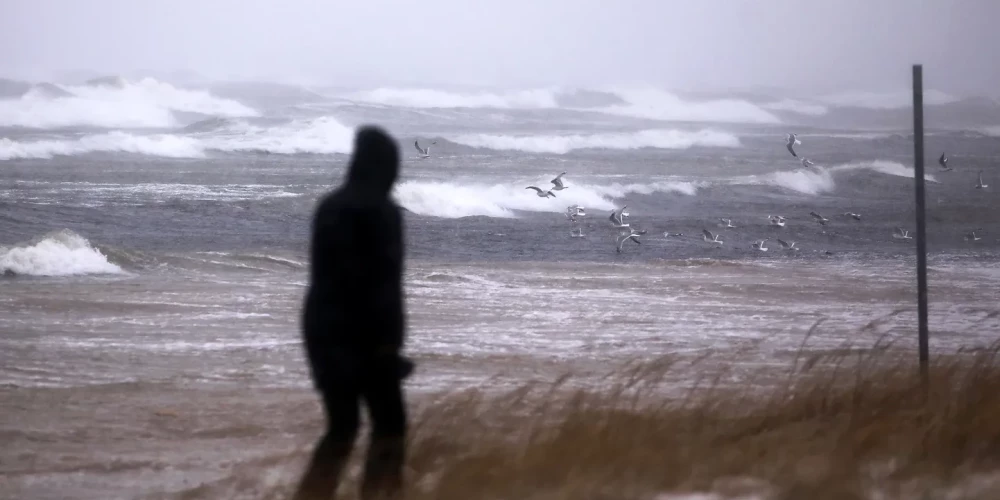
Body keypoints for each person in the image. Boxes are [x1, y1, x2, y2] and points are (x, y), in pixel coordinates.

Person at [293, 125, 412, 500]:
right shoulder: (382, 210)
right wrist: (388, 347)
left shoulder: (330, 204)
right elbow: (384, 284)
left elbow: (333, 276)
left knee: (342, 426)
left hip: (321, 329)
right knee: (390, 426)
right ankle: (378, 495)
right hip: (365, 335)